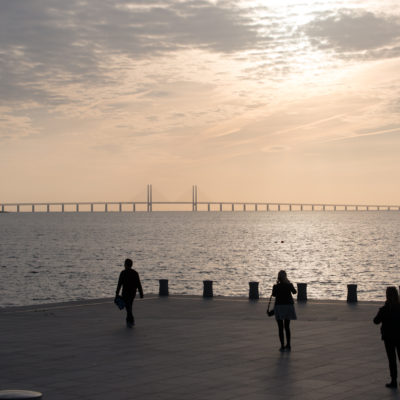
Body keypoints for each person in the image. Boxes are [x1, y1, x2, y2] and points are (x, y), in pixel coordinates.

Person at [373, 286, 400, 388]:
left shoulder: (385, 309)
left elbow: (376, 321)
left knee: (392, 360)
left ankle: (394, 381)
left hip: (388, 338)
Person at [271, 270, 297, 352]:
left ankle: (282, 346)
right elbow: (294, 292)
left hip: (279, 307)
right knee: (287, 327)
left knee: (280, 327)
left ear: (278, 277)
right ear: (285, 276)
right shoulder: (289, 285)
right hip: (288, 307)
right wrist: (288, 283)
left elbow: (274, 295)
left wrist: (277, 284)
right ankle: (288, 345)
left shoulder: (276, 286)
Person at [116, 258, 144, 327]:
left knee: (128, 307)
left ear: (125, 265)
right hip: (132, 293)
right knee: (129, 306)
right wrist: (141, 293)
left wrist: (117, 293)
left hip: (125, 293)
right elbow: (138, 284)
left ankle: (130, 321)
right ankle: (129, 321)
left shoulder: (123, 273)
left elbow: (119, 284)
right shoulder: (135, 273)